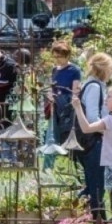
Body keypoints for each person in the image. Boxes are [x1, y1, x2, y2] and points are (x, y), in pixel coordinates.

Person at [72, 83, 112, 221]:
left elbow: (86, 128)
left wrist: (78, 107)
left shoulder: (110, 120)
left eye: (109, 96)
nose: (105, 99)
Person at [68, 53, 111, 221]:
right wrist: (108, 131)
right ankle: (99, 221)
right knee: (96, 185)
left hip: (87, 141)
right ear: (104, 68)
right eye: (111, 68)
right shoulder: (94, 87)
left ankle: (89, 217)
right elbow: (93, 117)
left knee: (93, 183)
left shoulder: (90, 85)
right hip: (93, 141)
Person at [43, 40, 81, 170]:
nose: (57, 59)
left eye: (59, 56)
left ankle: (75, 169)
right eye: (55, 57)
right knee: (50, 137)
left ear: (67, 55)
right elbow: (51, 87)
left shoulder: (74, 70)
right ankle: (47, 169)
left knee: (68, 139)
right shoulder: (55, 70)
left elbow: (75, 91)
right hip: (54, 106)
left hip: (66, 108)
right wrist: (49, 95)